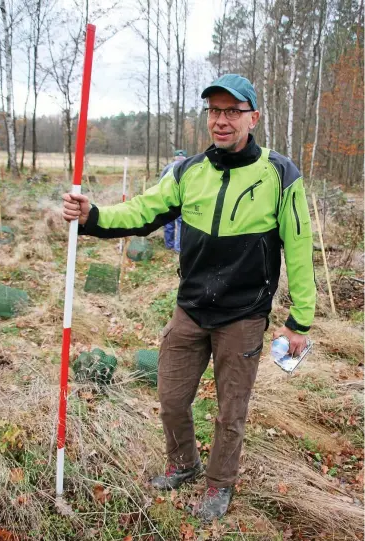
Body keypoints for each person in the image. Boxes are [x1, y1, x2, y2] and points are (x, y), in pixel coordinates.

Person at [62, 74, 316, 522]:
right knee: (172, 397)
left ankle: (219, 484)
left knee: (229, 410)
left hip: (244, 315)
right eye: (214, 111)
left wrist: (300, 321)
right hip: (191, 308)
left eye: (232, 112)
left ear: (252, 118)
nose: (221, 120)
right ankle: (183, 463)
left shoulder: (280, 174)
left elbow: (298, 245)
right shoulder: (187, 171)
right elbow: (142, 211)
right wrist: (93, 215)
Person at [160, 150, 187, 252]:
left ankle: (168, 244)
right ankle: (178, 248)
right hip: (182, 200)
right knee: (181, 225)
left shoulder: (167, 168)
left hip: (168, 200)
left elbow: (160, 184)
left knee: (168, 222)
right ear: (185, 158)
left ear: (174, 157)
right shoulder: (189, 167)